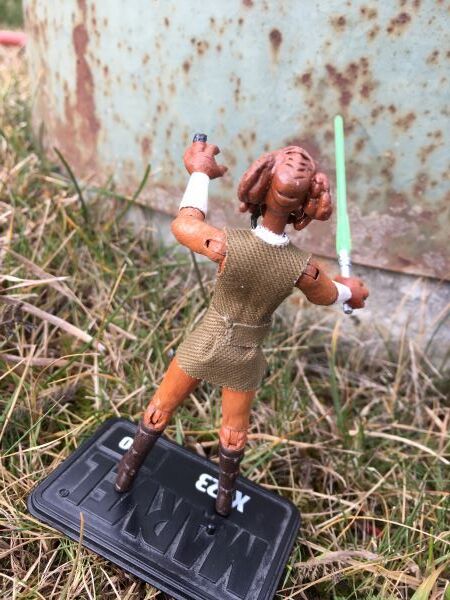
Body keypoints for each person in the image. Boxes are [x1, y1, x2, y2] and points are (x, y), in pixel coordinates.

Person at [115, 139, 369, 516]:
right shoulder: (303, 267)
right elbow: (328, 294)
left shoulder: (227, 244)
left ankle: (126, 473)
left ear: (260, 186)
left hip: (205, 341)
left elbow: (185, 225)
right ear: (304, 206)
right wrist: (352, 292)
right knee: (233, 432)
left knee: (160, 408)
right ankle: (223, 500)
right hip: (244, 357)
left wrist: (200, 173)